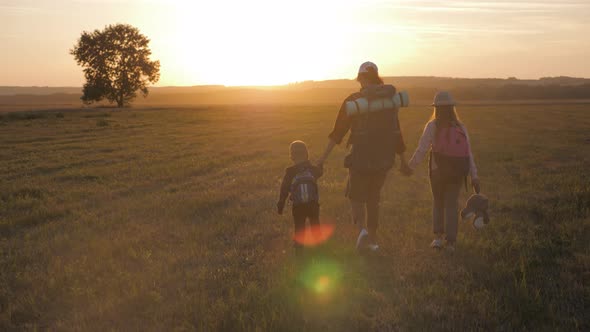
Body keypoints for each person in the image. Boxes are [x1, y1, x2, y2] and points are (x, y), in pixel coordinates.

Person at [317, 61, 410, 252]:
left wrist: (321, 160)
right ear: (377, 77)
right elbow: (396, 131)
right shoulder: (390, 101)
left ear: (361, 79)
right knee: (373, 198)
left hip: (360, 158)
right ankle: (373, 240)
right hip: (385, 159)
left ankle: (362, 232)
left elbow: (338, 133)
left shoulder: (354, 100)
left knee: (355, 196)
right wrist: (402, 159)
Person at [407, 91, 480, 251]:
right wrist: (474, 176)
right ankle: (451, 243)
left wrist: (410, 167)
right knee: (452, 205)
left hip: (437, 171)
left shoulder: (432, 125)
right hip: (458, 172)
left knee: (438, 203)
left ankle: (438, 238)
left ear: (437, 108)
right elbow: (468, 153)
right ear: (452, 108)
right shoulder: (461, 127)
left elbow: (422, 149)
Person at [277, 140, 324, 254]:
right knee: (315, 225)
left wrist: (281, 203)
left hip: (298, 207)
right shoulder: (312, 169)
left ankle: (299, 250)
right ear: (306, 154)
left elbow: (284, 189)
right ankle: (319, 247)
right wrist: (320, 165)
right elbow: (320, 173)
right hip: (313, 205)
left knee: (299, 227)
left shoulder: (290, 172)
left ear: (292, 156)